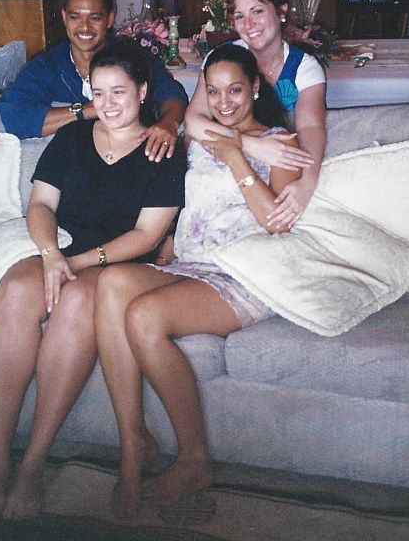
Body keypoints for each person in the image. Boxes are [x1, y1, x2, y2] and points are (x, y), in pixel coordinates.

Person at [0, 40, 186, 524]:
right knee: (16, 288)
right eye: (100, 91)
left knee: (75, 304)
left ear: (143, 91)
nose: (108, 103)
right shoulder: (71, 137)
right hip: (65, 249)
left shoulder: (162, 148)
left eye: (120, 92)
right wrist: (52, 256)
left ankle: (32, 464)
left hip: (119, 264)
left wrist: (81, 263)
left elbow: (147, 235)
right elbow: (40, 205)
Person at [95, 44, 300, 518]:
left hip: (246, 272)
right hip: (190, 265)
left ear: (255, 87)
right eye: (214, 91)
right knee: (111, 284)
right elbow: (185, 198)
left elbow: (276, 223)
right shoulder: (197, 134)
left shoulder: (280, 143)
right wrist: (168, 238)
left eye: (235, 90)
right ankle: (132, 441)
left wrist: (236, 157)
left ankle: (194, 459)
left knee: (145, 317)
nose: (224, 102)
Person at [185, 0, 326, 227]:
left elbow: (310, 128)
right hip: (222, 167)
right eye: (239, 16)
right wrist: (251, 145)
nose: (249, 24)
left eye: (257, 11)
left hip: (275, 172)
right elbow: (193, 121)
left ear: (281, 10)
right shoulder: (223, 58)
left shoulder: (303, 68)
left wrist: (307, 185)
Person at [0, 0, 187, 162]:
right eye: (75, 17)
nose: (85, 27)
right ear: (64, 17)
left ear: (109, 19)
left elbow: (171, 93)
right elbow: (15, 116)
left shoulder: (131, 58)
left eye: (95, 18)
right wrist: (87, 110)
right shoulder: (47, 66)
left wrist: (169, 123)